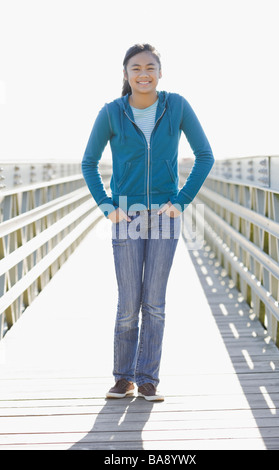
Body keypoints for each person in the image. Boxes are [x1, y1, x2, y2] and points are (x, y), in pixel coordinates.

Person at [82, 43, 214, 401]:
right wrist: (107, 207)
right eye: (136, 68)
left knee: (154, 302)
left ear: (160, 71)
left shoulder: (177, 106)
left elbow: (205, 156)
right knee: (128, 303)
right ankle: (123, 378)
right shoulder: (112, 113)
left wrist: (181, 201)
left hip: (164, 216)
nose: (144, 74)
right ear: (125, 74)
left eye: (150, 67)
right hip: (125, 213)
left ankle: (148, 380)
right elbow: (88, 163)